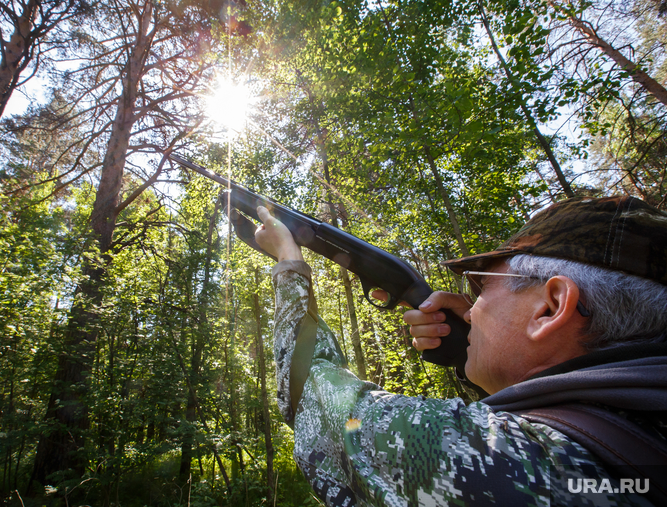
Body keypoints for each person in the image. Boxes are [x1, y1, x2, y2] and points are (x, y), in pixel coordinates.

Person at [253, 195, 667, 506]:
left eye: (482, 286)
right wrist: (471, 354)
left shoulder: (506, 458)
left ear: (551, 307)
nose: (471, 308)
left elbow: (310, 393)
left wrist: (289, 260)